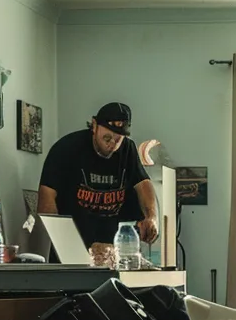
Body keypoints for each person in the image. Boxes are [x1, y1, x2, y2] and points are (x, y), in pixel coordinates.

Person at [37, 102, 158, 264]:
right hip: (70, 243)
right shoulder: (66, 149)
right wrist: (63, 244)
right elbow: (46, 199)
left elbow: (143, 184)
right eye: (107, 137)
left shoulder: (127, 149)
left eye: (117, 140)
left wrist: (151, 217)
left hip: (110, 249)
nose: (111, 144)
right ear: (94, 126)